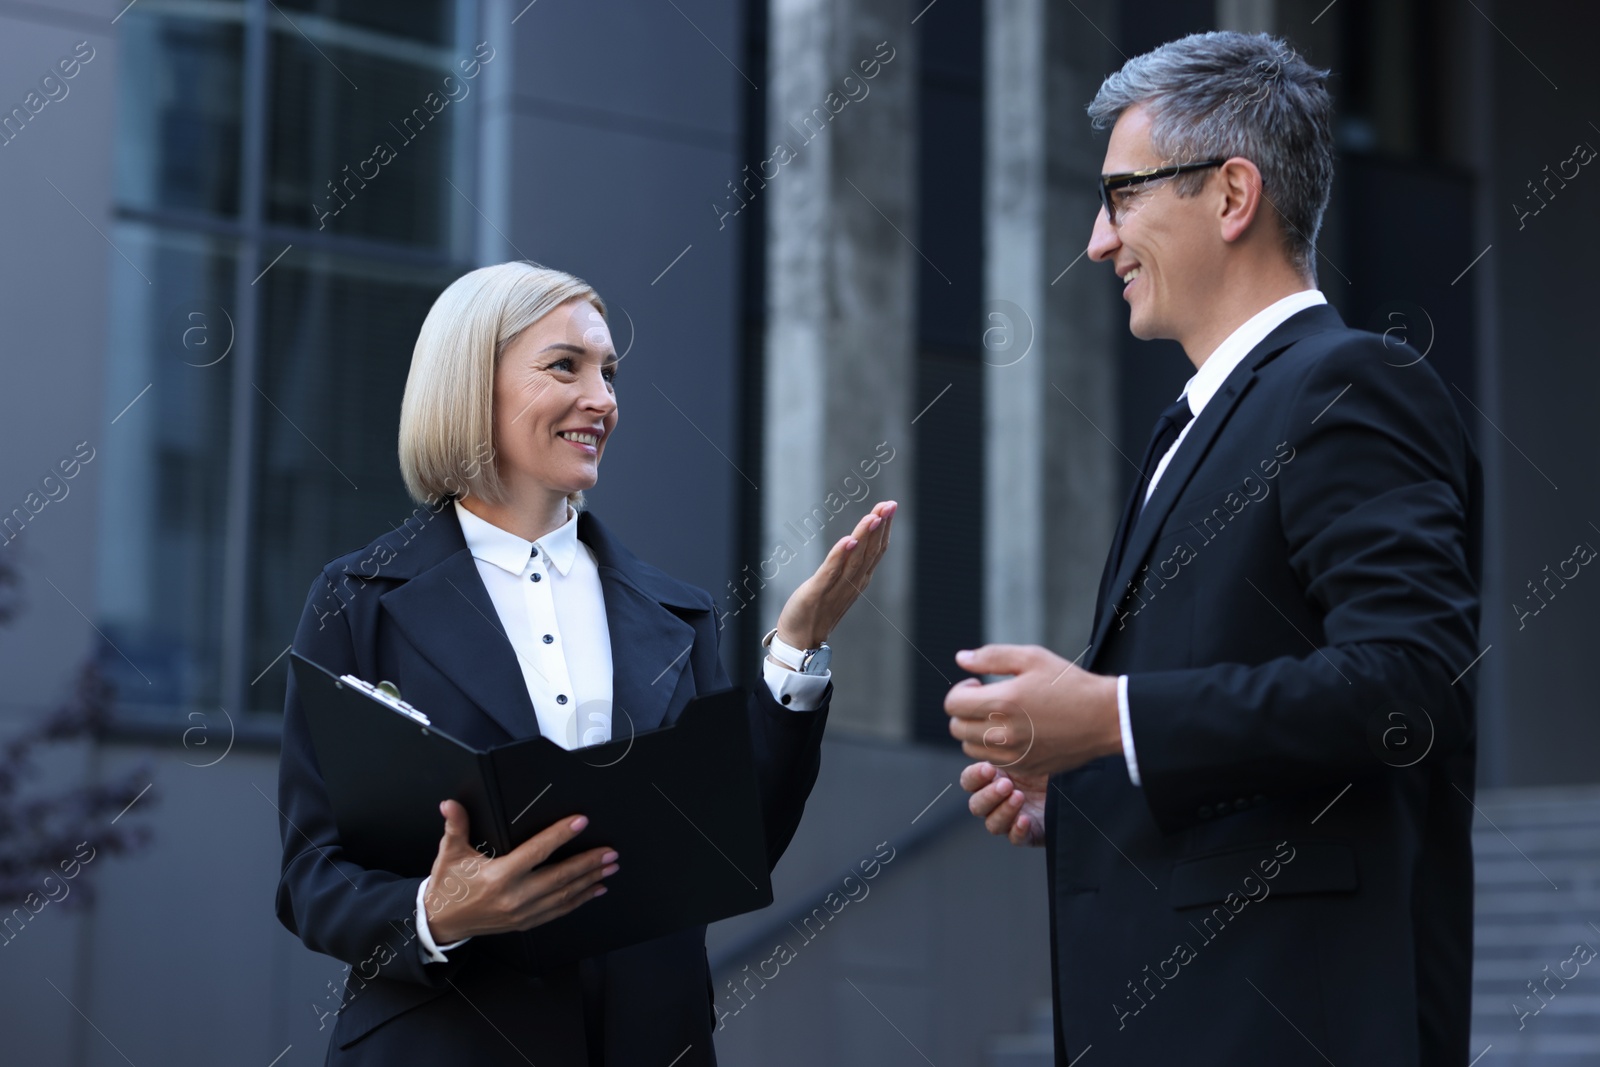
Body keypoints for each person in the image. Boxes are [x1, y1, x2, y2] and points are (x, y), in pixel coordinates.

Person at [947, 31, 1480, 1065]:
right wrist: (1089, 777)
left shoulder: (1346, 384)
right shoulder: (1196, 420)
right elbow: (1251, 733)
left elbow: (1409, 686)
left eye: (1121, 197)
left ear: (1232, 197)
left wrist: (1108, 715)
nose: (1097, 241)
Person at [275, 261, 895, 1065]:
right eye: (564, 366)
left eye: (608, 372)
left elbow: (730, 850)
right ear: (472, 384)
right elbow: (311, 876)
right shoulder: (355, 599)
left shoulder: (676, 614)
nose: (601, 398)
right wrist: (441, 909)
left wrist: (794, 655)